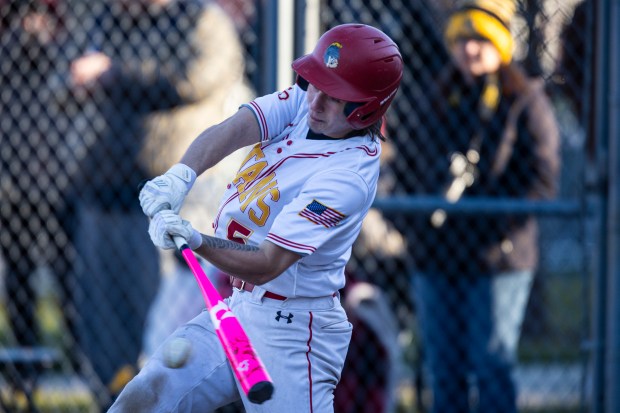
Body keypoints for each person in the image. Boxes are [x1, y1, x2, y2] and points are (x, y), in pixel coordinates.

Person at [109, 23, 403, 412]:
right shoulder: (305, 103)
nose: (315, 102)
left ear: (366, 108)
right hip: (241, 310)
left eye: (333, 98)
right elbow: (236, 128)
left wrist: (197, 241)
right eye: (315, 84)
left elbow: (266, 264)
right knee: (144, 398)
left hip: (295, 333)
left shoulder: (345, 177)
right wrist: (179, 177)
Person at [66, 0, 247, 405]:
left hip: (167, 204)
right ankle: (111, 398)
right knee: (105, 327)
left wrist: (115, 74)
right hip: (102, 191)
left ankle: (161, 401)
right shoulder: (104, 18)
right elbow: (62, 81)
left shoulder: (200, 18)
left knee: (163, 331)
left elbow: (195, 78)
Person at [390, 1, 561, 412]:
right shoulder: (435, 97)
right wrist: (417, 227)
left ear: (499, 44)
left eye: (480, 40)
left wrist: (491, 224)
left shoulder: (524, 99)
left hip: (496, 258)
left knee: (491, 365)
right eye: (462, 40)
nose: (469, 50)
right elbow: (406, 168)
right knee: (443, 370)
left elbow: (541, 179)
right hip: (437, 258)